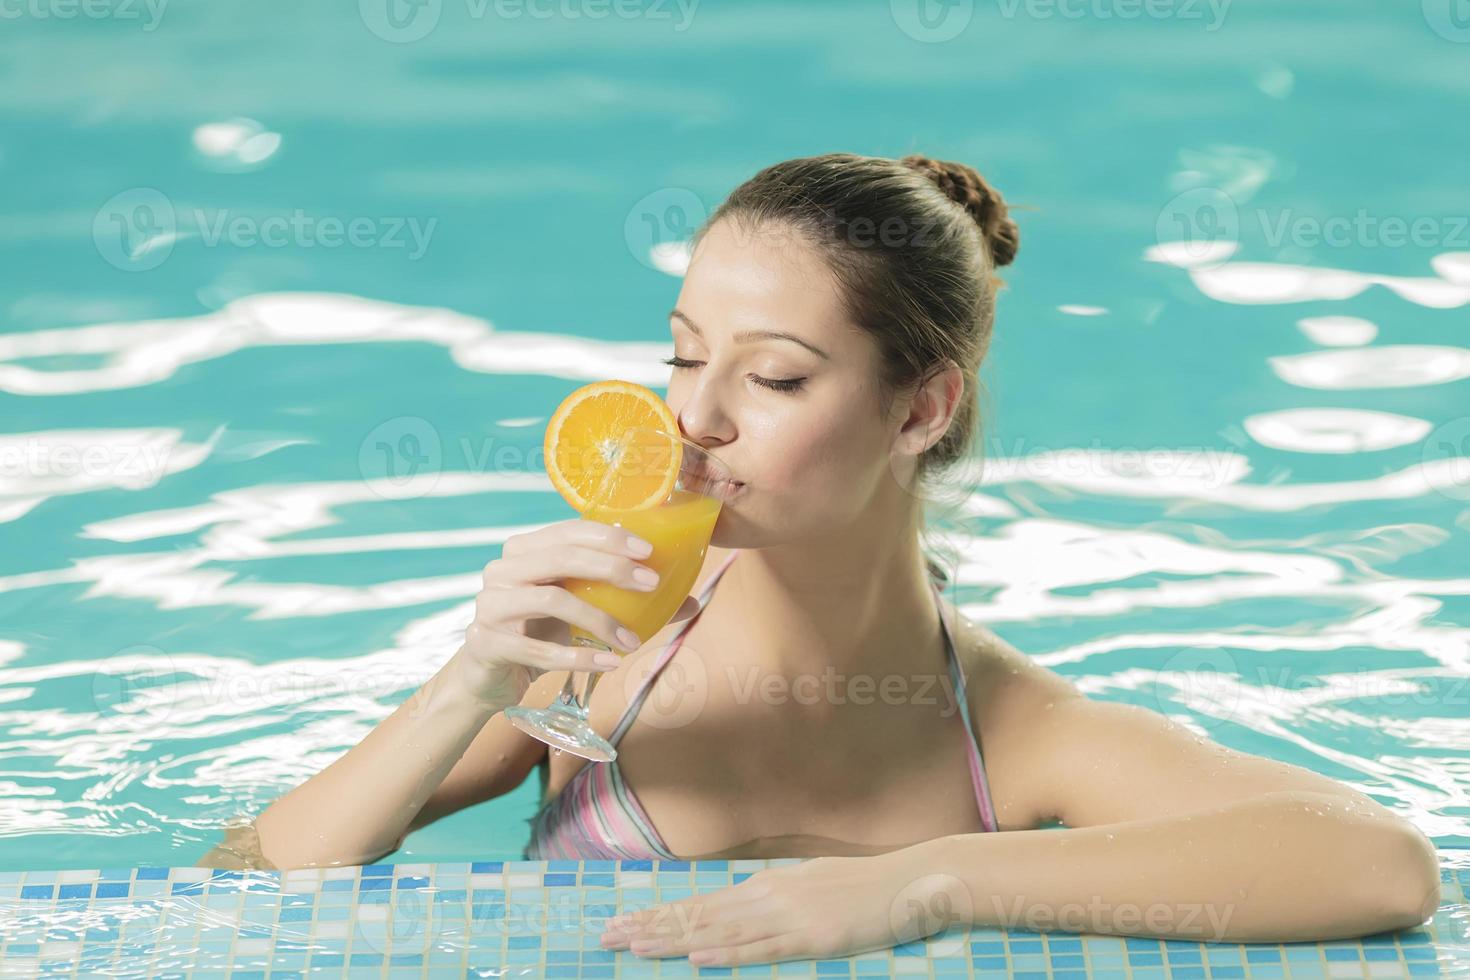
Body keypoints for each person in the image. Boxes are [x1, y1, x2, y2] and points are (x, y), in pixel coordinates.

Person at [200, 152, 1439, 965]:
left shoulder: (1010, 735)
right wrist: (469, 680)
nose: (695, 418)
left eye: (777, 375)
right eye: (686, 355)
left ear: (918, 410)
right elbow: (253, 875)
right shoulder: (595, 660)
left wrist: (932, 882)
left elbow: (1376, 858)